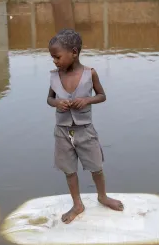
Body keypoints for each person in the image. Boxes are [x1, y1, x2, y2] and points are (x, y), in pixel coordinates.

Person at [47, 29, 124, 224]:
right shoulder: (55, 76)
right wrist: (57, 103)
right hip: (62, 131)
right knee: (69, 169)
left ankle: (102, 196)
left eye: (57, 57)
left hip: (85, 130)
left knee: (96, 166)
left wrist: (87, 100)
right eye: (52, 58)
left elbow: (102, 95)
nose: (54, 61)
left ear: (74, 52)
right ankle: (77, 204)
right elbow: (49, 99)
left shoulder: (90, 73)